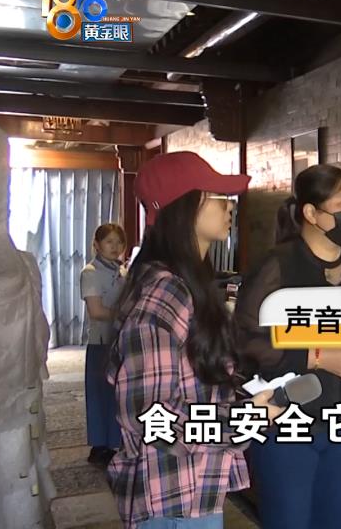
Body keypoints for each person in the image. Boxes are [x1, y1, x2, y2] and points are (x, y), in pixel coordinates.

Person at [105, 152, 284, 528]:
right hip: (170, 497)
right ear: (182, 208)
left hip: (193, 488)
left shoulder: (187, 284)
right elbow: (149, 416)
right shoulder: (163, 294)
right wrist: (242, 420)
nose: (229, 206)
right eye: (217, 196)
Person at [235, 164, 341, 529]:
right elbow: (245, 342)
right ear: (311, 213)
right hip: (286, 419)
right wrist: (316, 357)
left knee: (333, 520)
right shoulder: (277, 266)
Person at [0, 118, 55, 528]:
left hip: (15, 405)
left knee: (15, 488)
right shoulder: (13, 266)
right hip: (6, 405)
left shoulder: (20, 263)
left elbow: (39, 341)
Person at [80, 222, 127, 466]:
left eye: (119, 242)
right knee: (100, 394)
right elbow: (96, 311)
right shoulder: (90, 272)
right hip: (101, 342)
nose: (115, 247)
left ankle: (115, 443)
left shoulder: (123, 271)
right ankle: (100, 445)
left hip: (121, 340)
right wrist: (126, 313)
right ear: (97, 245)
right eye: (109, 242)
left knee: (117, 394)